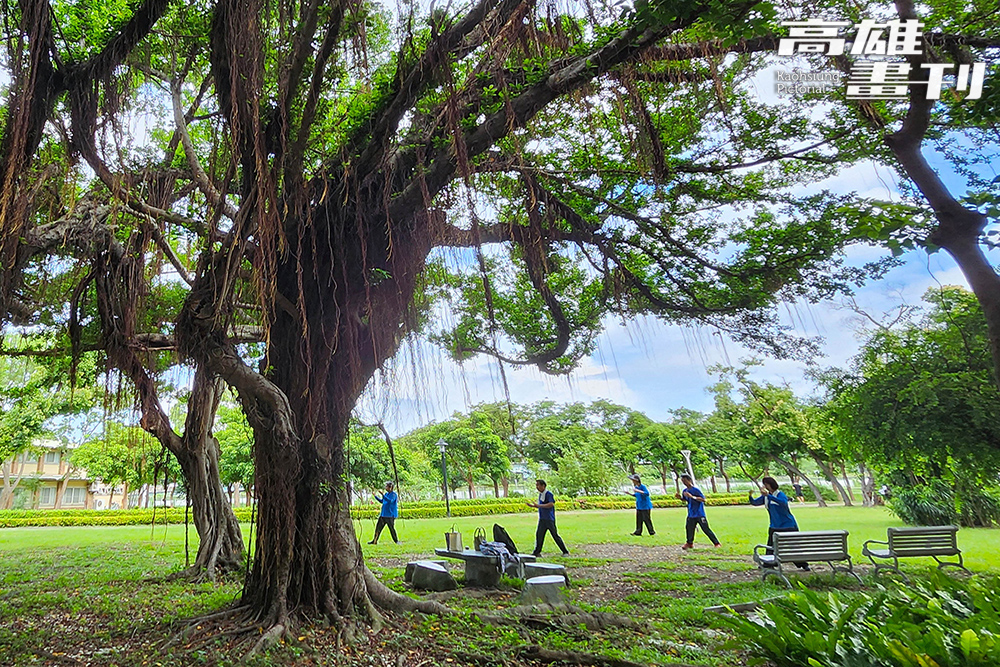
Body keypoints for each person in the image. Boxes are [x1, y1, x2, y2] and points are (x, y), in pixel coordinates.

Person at [749, 477, 809, 570]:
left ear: (770, 485)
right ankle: (769, 564)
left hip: (788, 525)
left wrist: (769, 496)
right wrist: (750, 496)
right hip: (774, 525)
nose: (765, 486)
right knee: (770, 546)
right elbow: (755, 503)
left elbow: (783, 503)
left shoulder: (780, 494)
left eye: (766, 484)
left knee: (793, 546)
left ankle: (803, 564)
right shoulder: (766, 497)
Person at [675, 474, 720, 549]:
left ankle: (716, 543)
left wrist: (692, 497)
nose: (684, 483)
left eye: (685, 481)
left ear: (689, 480)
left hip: (699, 513)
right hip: (691, 514)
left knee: (705, 529)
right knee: (689, 528)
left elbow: (703, 499)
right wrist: (680, 498)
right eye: (682, 481)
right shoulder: (685, 491)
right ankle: (689, 543)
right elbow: (686, 500)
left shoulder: (696, 490)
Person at [527, 479, 569, 557]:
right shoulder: (541, 494)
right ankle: (537, 552)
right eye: (536, 485)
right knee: (539, 535)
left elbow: (551, 504)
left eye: (538, 485)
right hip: (542, 518)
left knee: (555, 535)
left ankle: (565, 551)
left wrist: (538, 506)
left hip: (549, 519)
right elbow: (542, 505)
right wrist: (534, 506)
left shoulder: (548, 494)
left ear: (543, 486)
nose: (537, 487)